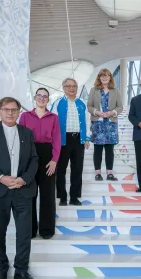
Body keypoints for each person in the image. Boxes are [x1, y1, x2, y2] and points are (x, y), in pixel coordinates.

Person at [0, 97, 39, 279]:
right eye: (6, 109)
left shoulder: (27, 133)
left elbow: (34, 160)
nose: (10, 113)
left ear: (19, 111)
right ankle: (1, 271)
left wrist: (24, 179)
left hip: (23, 190)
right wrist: (1, 177)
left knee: (24, 234)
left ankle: (21, 270)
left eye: (14, 109)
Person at [18, 88, 61, 239]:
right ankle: (30, 229)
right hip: (29, 155)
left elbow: (57, 139)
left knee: (48, 193)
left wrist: (55, 160)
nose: (42, 98)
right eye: (39, 95)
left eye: (45, 96)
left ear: (48, 99)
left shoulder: (53, 118)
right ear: (35, 98)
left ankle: (47, 230)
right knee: (29, 193)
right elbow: (20, 138)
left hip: (47, 155)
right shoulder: (24, 116)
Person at [51, 77, 91, 206]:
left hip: (78, 139)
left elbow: (87, 121)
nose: (71, 88)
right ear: (63, 88)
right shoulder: (58, 103)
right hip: (63, 140)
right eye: (68, 86)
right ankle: (62, 197)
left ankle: (74, 197)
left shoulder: (82, 103)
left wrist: (87, 138)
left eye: (74, 86)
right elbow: (53, 122)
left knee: (77, 169)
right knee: (61, 169)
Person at [87, 68, 124, 181]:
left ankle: (110, 173)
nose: (104, 77)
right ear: (99, 78)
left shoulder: (116, 91)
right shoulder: (94, 90)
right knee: (98, 148)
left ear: (110, 77)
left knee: (109, 149)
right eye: (102, 76)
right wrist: (97, 112)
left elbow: (120, 107)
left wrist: (112, 112)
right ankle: (97, 173)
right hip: (97, 123)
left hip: (111, 123)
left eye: (106, 75)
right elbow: (89, 106)